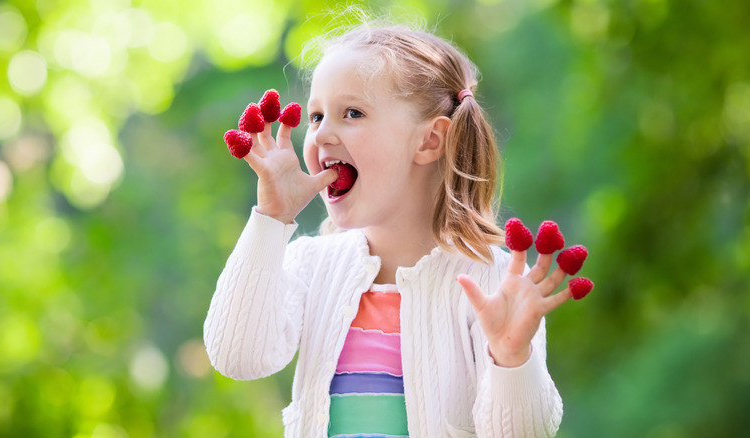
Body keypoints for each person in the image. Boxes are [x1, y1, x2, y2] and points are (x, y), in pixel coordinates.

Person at [204, 19, 573, 438]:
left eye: (353, 113)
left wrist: (512, 358)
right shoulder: (311, 265)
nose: (321, 132)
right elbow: (237, 357)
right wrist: (271, 220)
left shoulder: (493, 282)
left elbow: (523, 433)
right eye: (317, 115)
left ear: (429, 141)